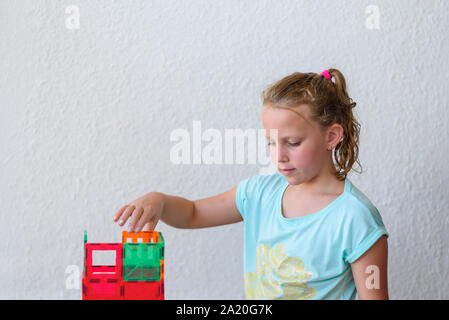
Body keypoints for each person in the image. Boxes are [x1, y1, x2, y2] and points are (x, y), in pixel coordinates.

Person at [113, 69, 389, 300]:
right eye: (271, 142)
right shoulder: (258, 194)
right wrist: (159, 201)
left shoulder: (356, 218)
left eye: (292, 143)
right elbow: (193, 213)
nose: (278, 156)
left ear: (332, 136)